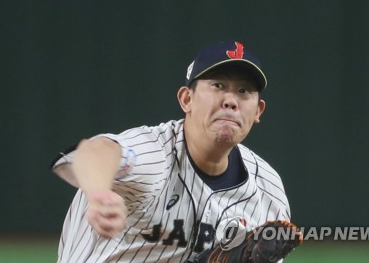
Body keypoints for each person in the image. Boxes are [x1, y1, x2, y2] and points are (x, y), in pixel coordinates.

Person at [50, 40, 292, 263]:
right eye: (218, 86)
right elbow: (94, 152)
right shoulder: (155, 154)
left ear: (258, 110)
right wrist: (99, 193)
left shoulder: (267, 191)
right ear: (187, 99)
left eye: (244, 91)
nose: (231, 100)